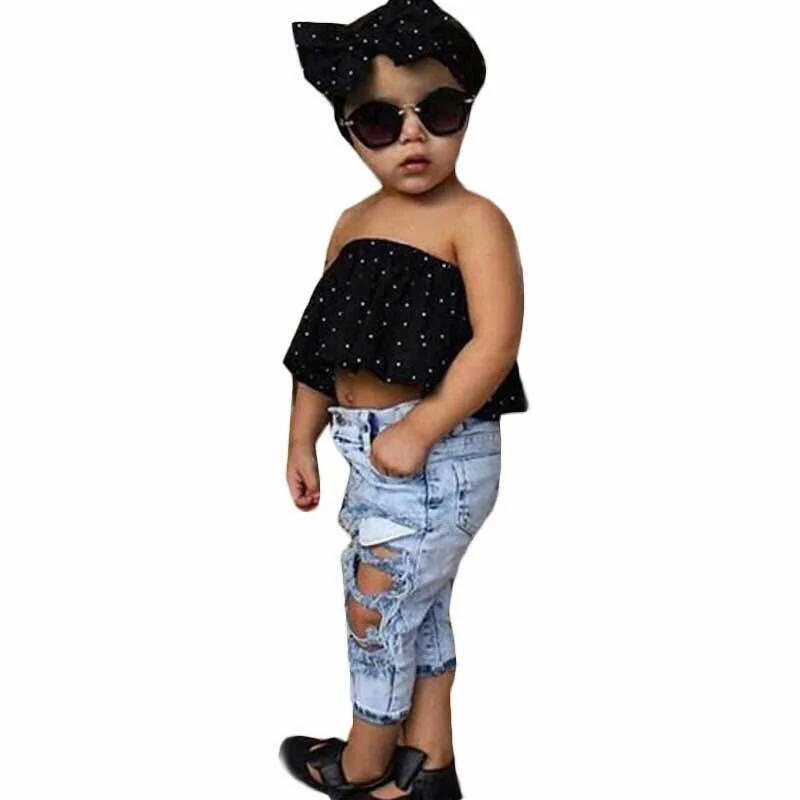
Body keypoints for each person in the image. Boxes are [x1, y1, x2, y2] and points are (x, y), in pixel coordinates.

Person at [280, 1, 528, 797]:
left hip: (438, 453)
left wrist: (421, 427)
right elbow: (321, 349)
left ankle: (363, 769)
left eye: (439, 111)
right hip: (368, 447)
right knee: (416, 606)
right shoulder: (351, 224)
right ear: (350, 132)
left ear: (467, 111)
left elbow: (495, 342)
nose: (412, 136)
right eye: (381, 121)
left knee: (375, 609)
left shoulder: (474, 221)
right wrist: (301, 438)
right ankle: (430, 765)